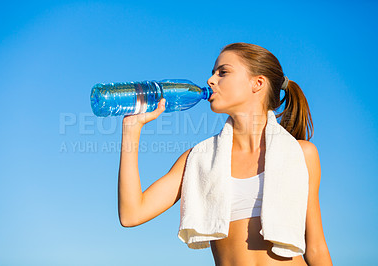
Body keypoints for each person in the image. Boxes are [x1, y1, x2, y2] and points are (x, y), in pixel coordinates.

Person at [118, 42, 333, 265]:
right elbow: (132, 214)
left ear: (257, 83)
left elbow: (316, 247)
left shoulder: (301, 154)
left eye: (223, 72)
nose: (210, 80)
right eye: (213, 73)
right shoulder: (197, 160)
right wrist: (131, 130)